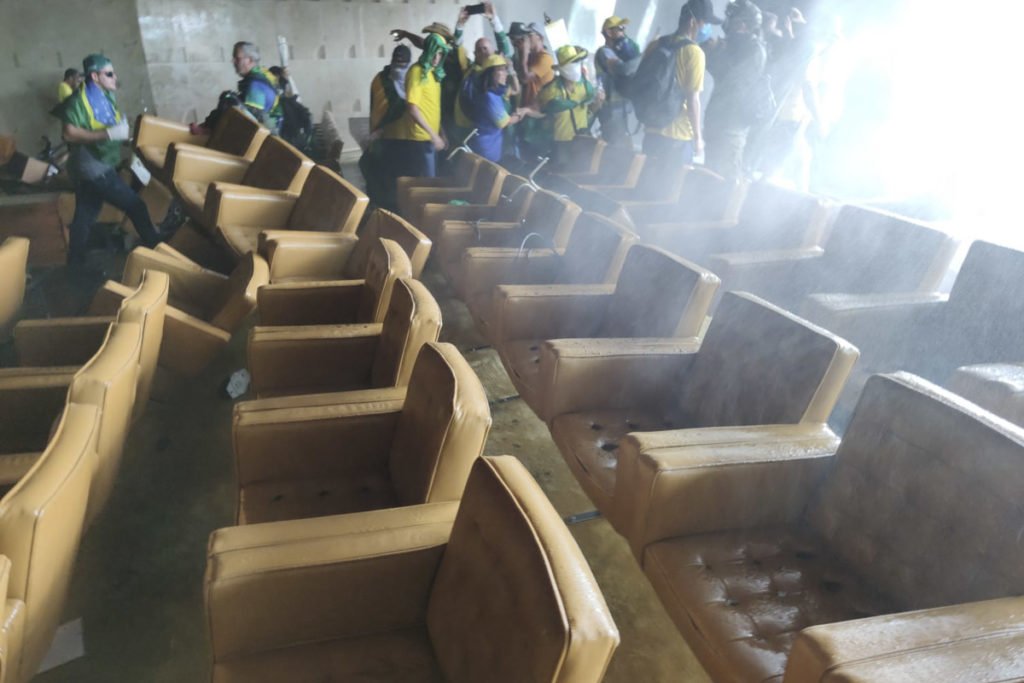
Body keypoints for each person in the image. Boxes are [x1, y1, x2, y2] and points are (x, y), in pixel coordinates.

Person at [60, 54, 162, 267]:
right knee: (136, 206)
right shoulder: (79, 100)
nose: (115, 77)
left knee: (85, 214)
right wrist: (107, 134)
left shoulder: (106, 96)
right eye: (109, 74)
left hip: (96, 164)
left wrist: (123, 137)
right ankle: (160, 252)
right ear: (95, 76)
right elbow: (68, 133)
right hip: (93, 166)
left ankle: (75, 263)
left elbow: (109, 126)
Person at [642, 0, 722, 169]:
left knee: (645, 179)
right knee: (669, 184)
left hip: (651, 129)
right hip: (677, 136)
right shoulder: (694, 52)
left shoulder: (656, 44)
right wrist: (698, 138)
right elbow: (693, 100)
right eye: (705, 22)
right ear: (693, 22)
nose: (707, 28)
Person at [381, 31, 450, 208]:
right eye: (434, 53)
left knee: (430, 185)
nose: (437, 58)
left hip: (431, 138)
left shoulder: (434, 73)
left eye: (440, 54)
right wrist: (433, 136)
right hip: (420, 139)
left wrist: (441, 132)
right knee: (426, 188)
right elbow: (412, 107)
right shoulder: (417, 72)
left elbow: (432, 107)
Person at [702, 0, 768, 179]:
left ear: (745, 25)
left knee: (722, 183)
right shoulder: (737, 46)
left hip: (730, 130)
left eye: (734, 20)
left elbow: (733, 84)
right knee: (707, 179)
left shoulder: (754, 50)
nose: (728, 24)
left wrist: (716, 53)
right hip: (718, 124)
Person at [360, 44, 412, 206]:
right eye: (396, 63)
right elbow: (376, 109)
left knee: (404, 183)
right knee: (382, 180)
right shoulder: (380, 80)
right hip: (385, 140)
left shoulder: (413, 80)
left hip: (409, 140)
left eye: (403, 64)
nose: (399, 68)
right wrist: (376, 131)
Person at [459, 54, 528, 161]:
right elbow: (504, 122)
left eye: (505, 70)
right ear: (491, 73)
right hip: (486, 146)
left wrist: (512, 70)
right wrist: (520, 115)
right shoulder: (489, 97)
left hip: (491, 143)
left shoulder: (495, 92)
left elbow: (516, 90)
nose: (505, 74)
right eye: (501, 70)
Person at [536, 45, 596, 168]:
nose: (576, 66)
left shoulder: (585, 86)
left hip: (582, 139)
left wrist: (597, 103)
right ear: (563, 69)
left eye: (577, 62)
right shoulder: (550, 90)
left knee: (581, 170)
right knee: (561, 172)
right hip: (561, 142)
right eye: (572, 63)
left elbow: (589, 108)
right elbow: (540, 111)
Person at [509, 21, 554, 160]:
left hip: (539, 113)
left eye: (530, 35)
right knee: (524, 151)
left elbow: (525, 78)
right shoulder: (531, 57)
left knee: (534, 153)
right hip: (527, 109)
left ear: (539, 37)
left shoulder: (545, 58)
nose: (526, 39)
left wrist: (524, 53)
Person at [594, 16, 641, 146]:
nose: (624, 32)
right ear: (609, 32)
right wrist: (643, 57)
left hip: (623, 109)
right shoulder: (604, 52)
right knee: (614, 148)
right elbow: (625, 69)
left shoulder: (620, 53)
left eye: (624, 28)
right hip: (611, 111)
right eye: (620, 28)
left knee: (624, 147)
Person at [231, 41, 282, 133]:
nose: (233, 61)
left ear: (250, 60)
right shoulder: (264, 75)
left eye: (237, 58)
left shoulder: (255, 85)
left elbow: (249, 122)